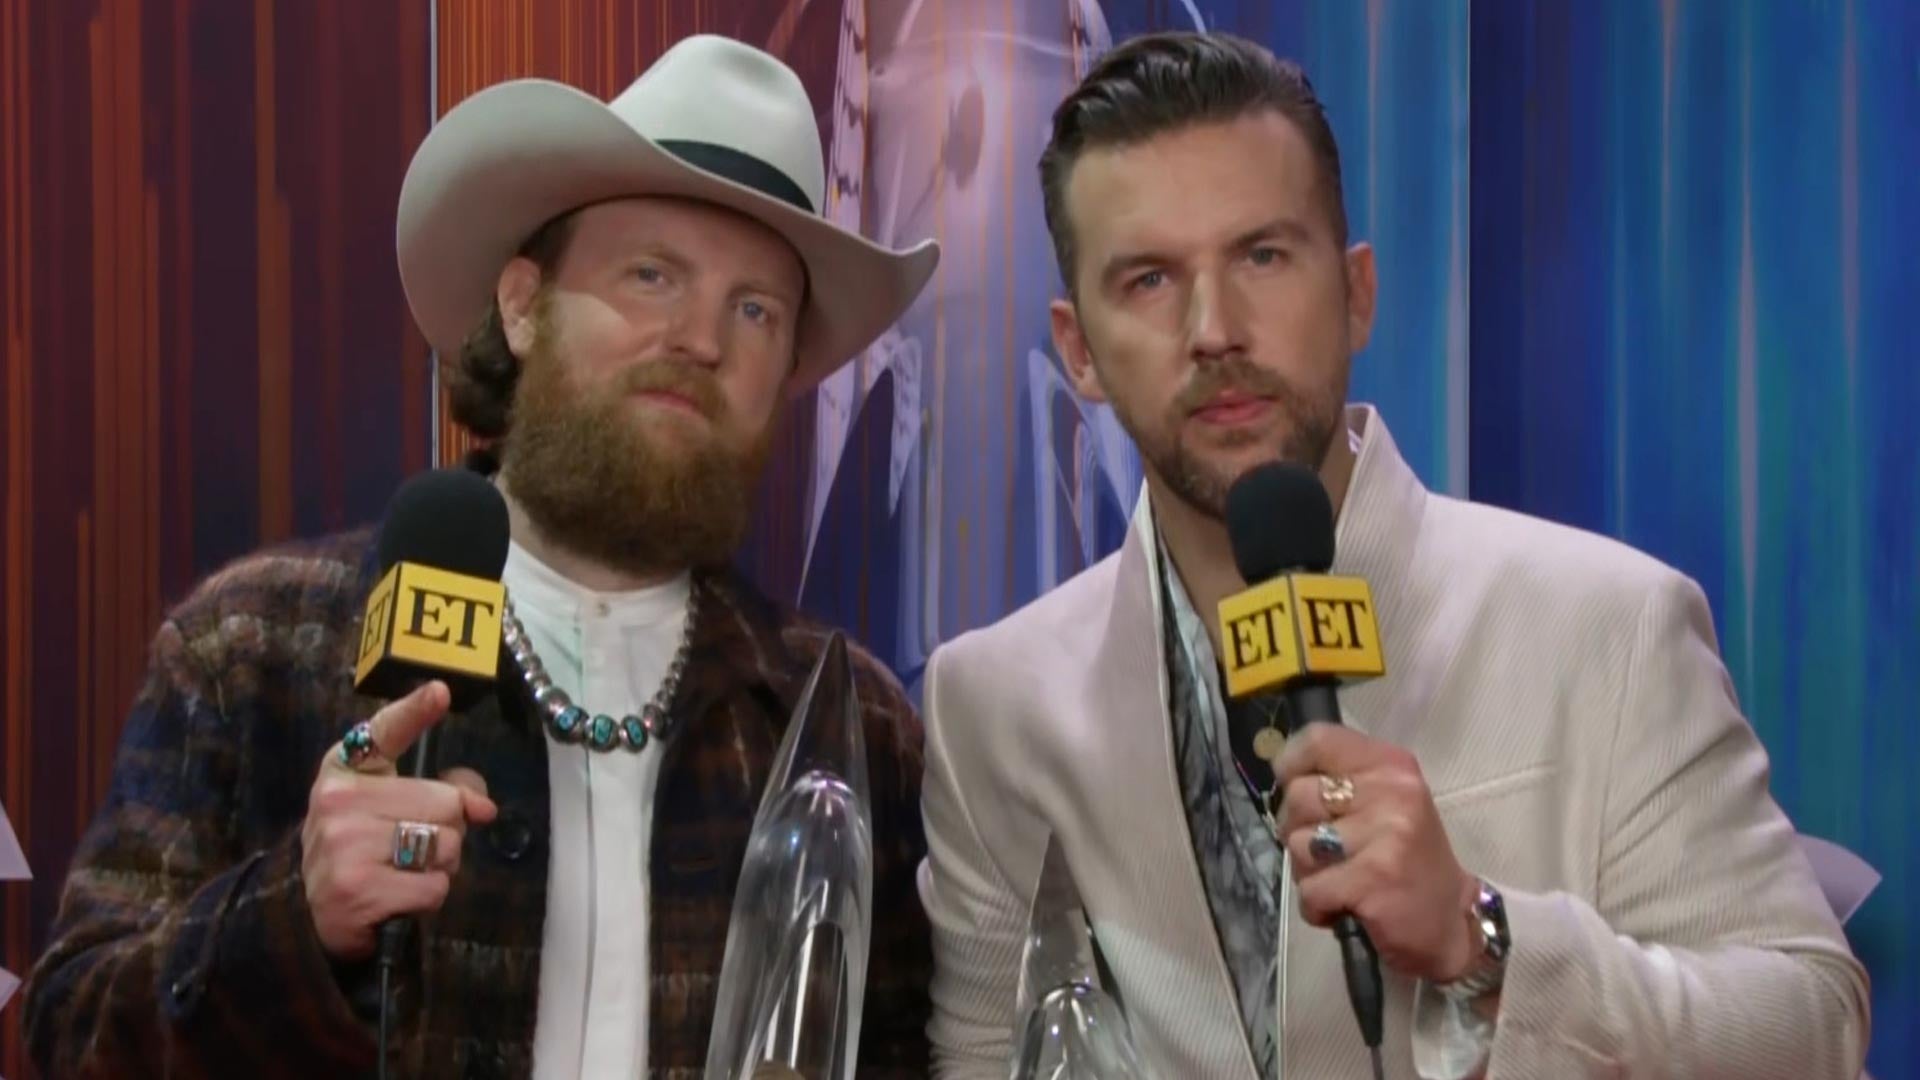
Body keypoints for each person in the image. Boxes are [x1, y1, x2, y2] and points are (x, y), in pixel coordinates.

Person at [915, 30, 1869, 1079]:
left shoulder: (1610, 625)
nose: (1215, 328)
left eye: (1262, 256)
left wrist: (1479, 937)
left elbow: (1813, 1025)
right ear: (1079, 351)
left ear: (1357, 292)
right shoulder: (992, 710)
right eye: (1148, 279)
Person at [24, 34, 940, 1079]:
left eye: (755, 309)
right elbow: (72, 1033)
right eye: (652, 274)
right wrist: (293, 918)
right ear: (521, 304)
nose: (702, 339)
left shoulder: (849, 729)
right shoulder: (255, 649)